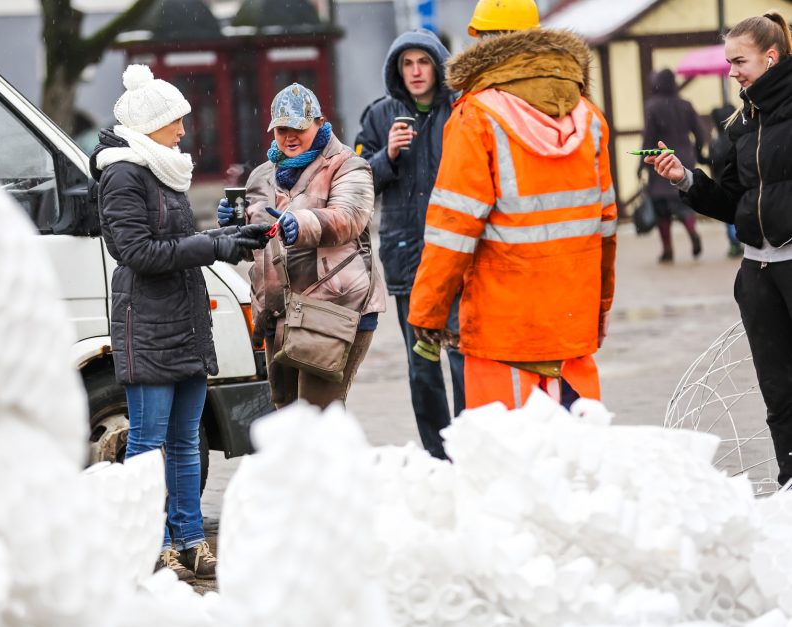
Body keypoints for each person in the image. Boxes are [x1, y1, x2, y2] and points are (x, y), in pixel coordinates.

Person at [90, 64, 268, 582]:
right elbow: (137, 251)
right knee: (147, 446)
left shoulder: (161, 169)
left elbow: (174, 242)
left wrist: (227, 234)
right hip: (146, 323)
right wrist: (213, 246)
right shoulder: (124, 173)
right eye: (176, 121)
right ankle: (151, 542)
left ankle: (189, 539)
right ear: (150, 124)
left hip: (183, 321)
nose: (184, 130)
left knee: (186, 441)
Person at [407, 0, 618, 411]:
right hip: (570, 325)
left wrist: (427, 313)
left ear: (484, 43)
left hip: (502, 332)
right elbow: (606, 224)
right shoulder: (588, 116)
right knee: (578, 459)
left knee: (508, 461)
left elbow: (453, 227)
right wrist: (600, 307)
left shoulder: (477, 116)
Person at [646, 12, 792, 487]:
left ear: (771, 58)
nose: (732, 72)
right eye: (728, 62)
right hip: (758, 276)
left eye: (739, 61)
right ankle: (791, 482)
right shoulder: (738, 125)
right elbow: (733, 205)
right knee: (778, 393)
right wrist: (685, 180)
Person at [218, 83, 386, 408]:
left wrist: (302, 223)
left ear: (319, 123)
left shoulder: (348, 165)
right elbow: (257, 246)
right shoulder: (262, 176)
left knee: (316, 419)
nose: (289, 136)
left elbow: (348, 217)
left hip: (334, 310)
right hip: (279, 313)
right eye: (282, 129)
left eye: (299, 127)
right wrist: (234, 229)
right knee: (288, 418)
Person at [354, 29, 465, 460]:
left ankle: (469, 449)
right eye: (407, 63)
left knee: (461, 360)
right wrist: (388, 155)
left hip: (455, 255)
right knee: (423, 367)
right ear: (397, 70)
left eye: (424, 62)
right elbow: (358, 183)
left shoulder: (462, 110)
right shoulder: (380, 117)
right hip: (407, 260)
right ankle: (438, 455)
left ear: (438, 65)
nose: (416, 72)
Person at [639, 68, 706, 263]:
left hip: (662, 160)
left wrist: (641, 165)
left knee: (662, 209)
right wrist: (699, 153)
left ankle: (667, 249)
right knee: (684, 202)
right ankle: (693, 231)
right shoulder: (685, 105)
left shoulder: (652, 106)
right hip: (684, 159)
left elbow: (648, 138)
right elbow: (700, 134)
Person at [708, 104, 743, 258]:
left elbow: (711, 162)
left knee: (730, 216)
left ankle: (735, 242)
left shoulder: (717, 143)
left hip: (724, 184)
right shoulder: (739, 137)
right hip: (742, 181)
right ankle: (737, 241)